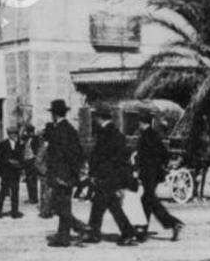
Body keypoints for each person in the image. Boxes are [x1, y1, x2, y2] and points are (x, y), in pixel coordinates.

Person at [84, 106, 139, 247]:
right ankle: (94, 232)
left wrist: (94, 172)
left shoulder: (104, 133)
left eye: (95, 118)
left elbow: (99, 156)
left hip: (105, 175)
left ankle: (127, 232)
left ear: (99, 118)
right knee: (101, 204)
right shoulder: (117, 133)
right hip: (113, 175)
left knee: (111, 206)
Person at [44, 99, 89, 247]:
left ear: (55, 114)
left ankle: (79, 226)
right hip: (67, 174)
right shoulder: (69, 129)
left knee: (57, 205)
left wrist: (61, 175)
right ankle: (63, 237)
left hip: (60, 174)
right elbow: (78, 154)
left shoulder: (60, 130)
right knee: (64, 205)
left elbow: (63, 154)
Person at [135, 112, 184, 241]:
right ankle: (142, 230)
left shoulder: (146, 136)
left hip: (148, 172)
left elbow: (145, 156)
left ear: (142, 123)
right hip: (154, 172)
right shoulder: (154, 135)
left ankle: (173, 223)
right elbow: (164, 154)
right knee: (146, 199)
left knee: (149, 199)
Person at [0, 126, 25, 219]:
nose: (14, 135)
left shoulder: (19, 144)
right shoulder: (3, 144)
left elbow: (22, 157)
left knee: (15, 192)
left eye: (15, 134)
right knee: (3, 192)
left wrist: (19, 164)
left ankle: (14, 212)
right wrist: (8, 161)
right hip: (6, 172)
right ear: (9, 135)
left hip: (15, 172)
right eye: (12, 134)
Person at [22, 124, 41, 204]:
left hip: (32, 160)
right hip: (27, 161)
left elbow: (37, 150)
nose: (29, 133)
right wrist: (23, 129)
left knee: (33, 180)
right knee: (28, 180)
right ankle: (31, 197)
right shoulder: (26, 139)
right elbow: (21, 136)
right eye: (28, 132)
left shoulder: (36, 139)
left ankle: (34, 198)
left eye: (30, 132)